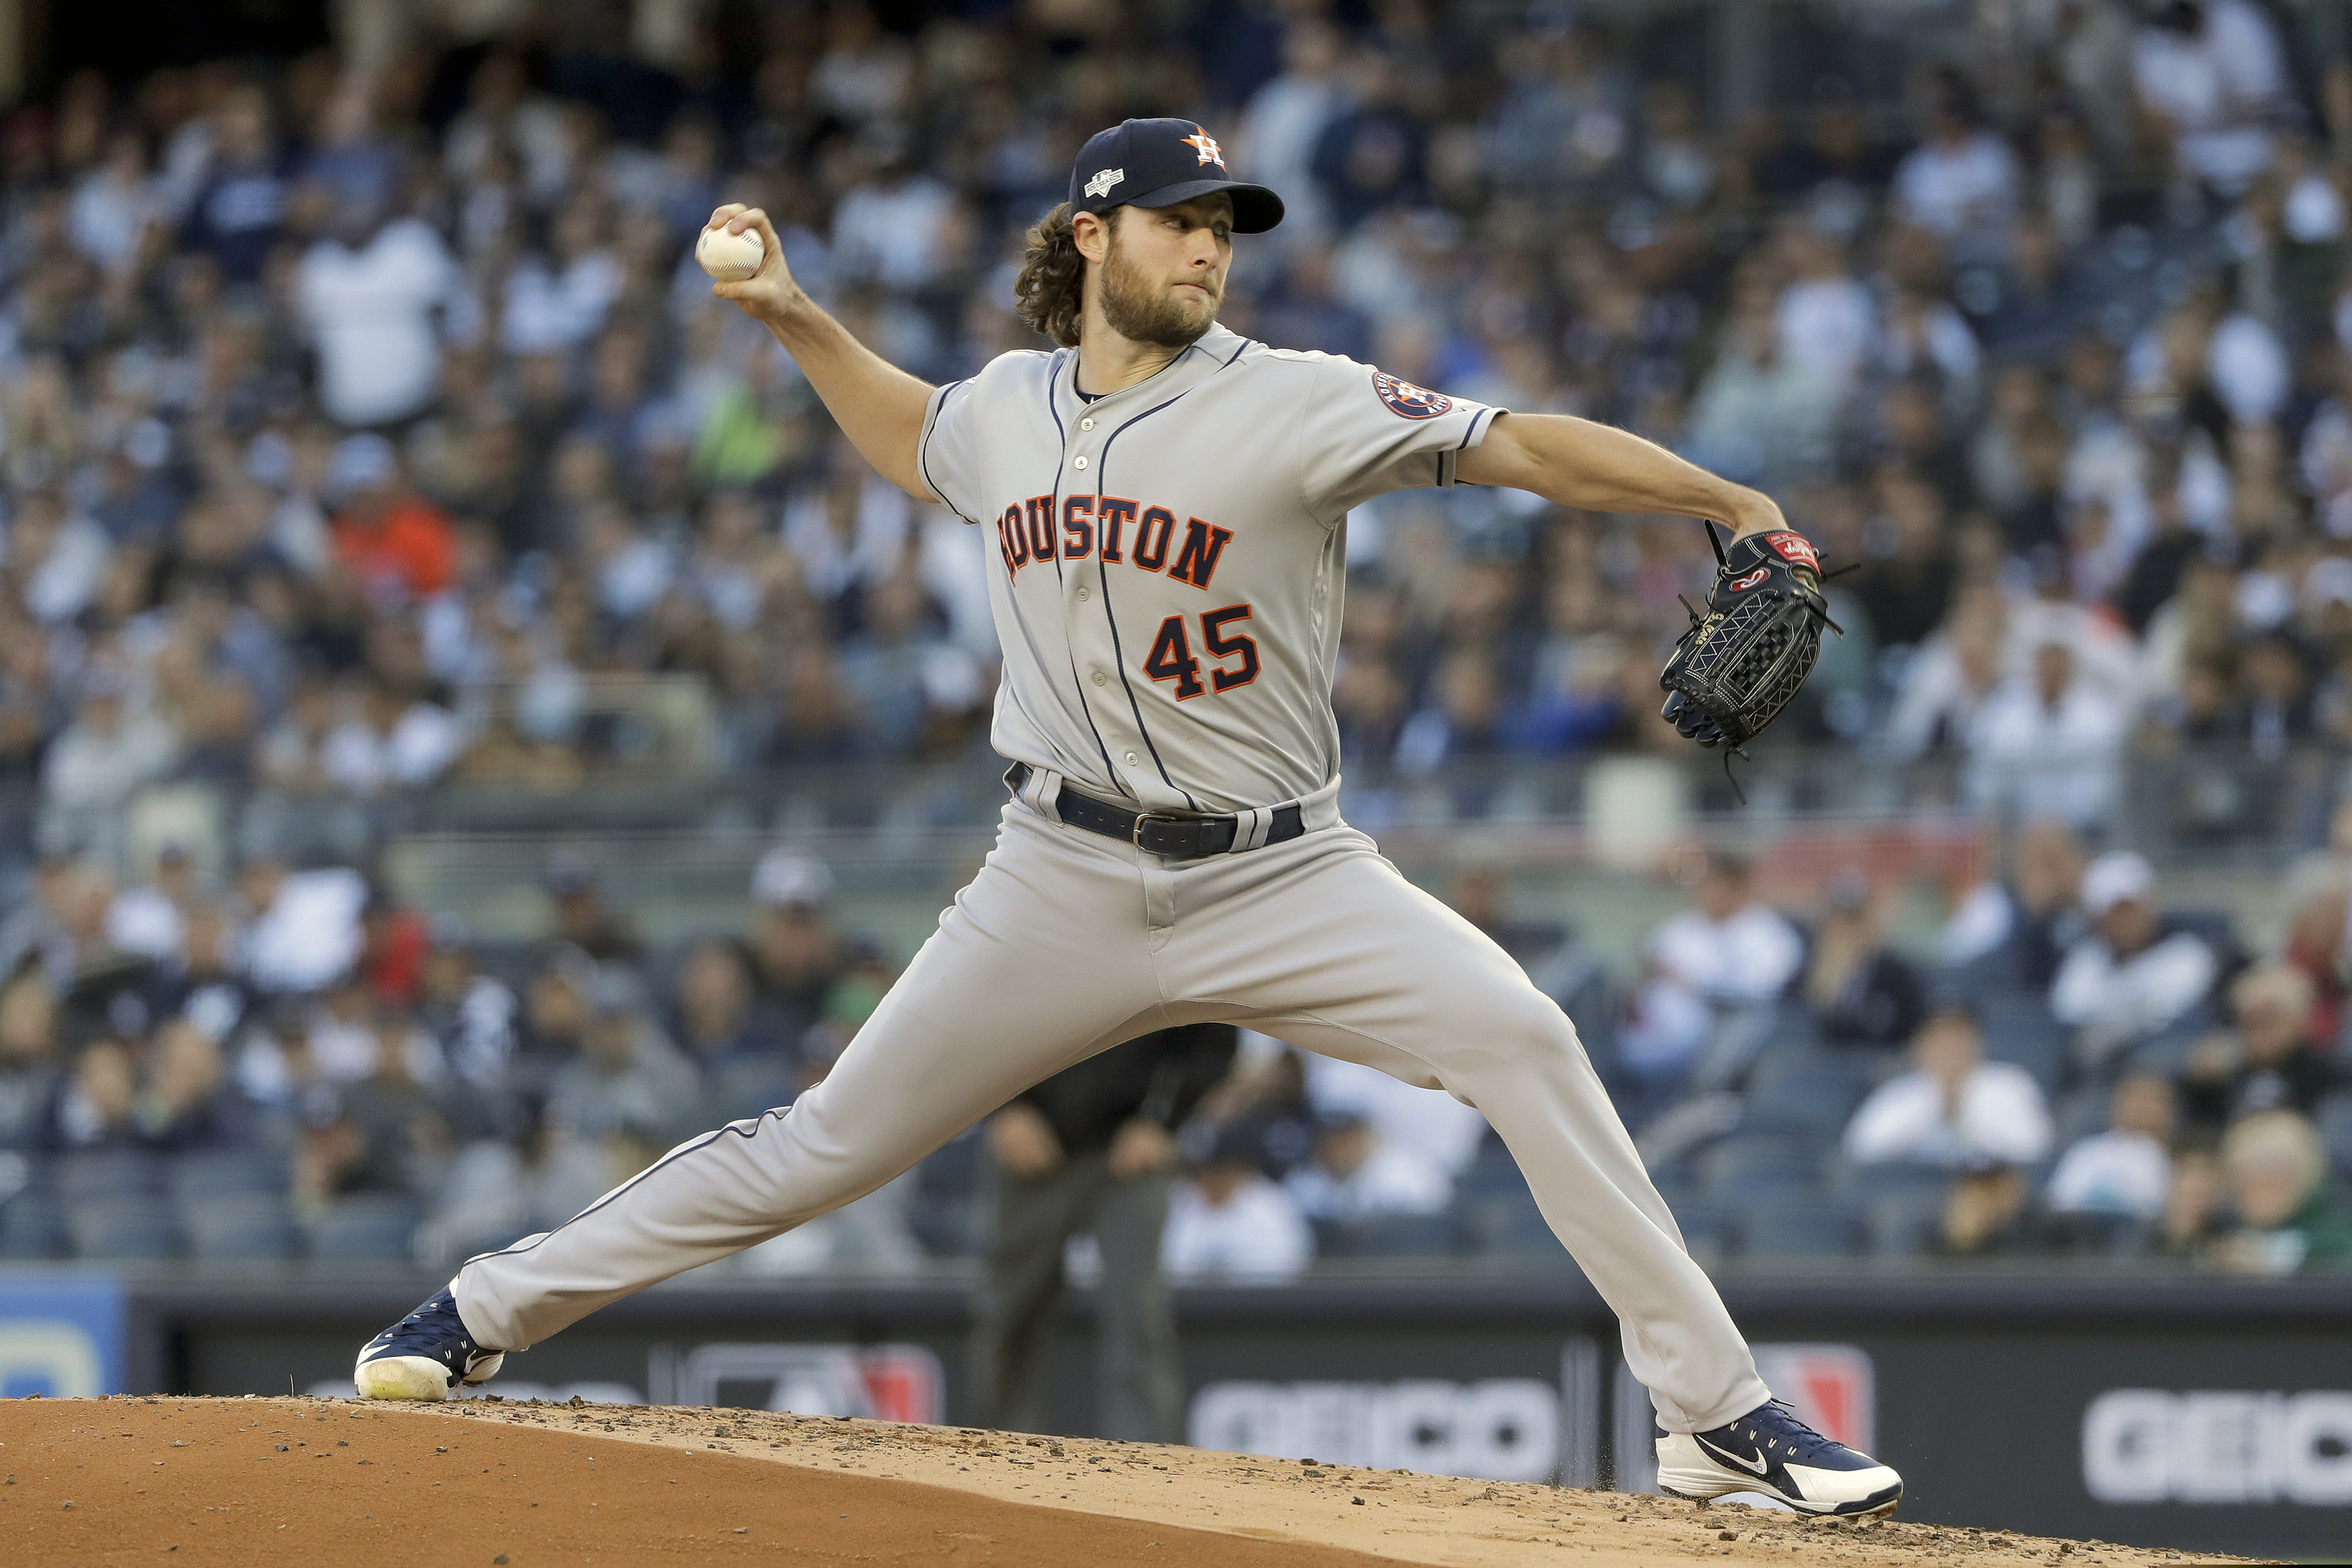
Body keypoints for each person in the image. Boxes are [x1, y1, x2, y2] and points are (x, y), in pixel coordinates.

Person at [354, 116, 1901, 1516]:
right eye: (1177, 219)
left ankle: (1712, 1416)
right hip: (1057, 872)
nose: (1209, 246)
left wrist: (1729, 505)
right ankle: (480, 1311)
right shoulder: (1010, 409)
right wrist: (793, 317)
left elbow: (1520, 446)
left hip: (1283, 870)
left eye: (1223, 225)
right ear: (1091, 236)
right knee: (820, 1143)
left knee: (1523, 1038)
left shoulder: (1299, 400)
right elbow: (912, 436)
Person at [972, 1022, 1236, 1442]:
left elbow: (1213, 1038)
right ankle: (996, 1450)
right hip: (1035, 1139)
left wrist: (1162, 1121)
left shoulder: (1160, 951)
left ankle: (1144, 1464)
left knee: (1137, 1309)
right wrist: (1005, 1107)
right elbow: (974, 1014)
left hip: (1130, 1149)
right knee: (1011, 1307)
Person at [2050, 851, 2219, 1073]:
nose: (2124, 921)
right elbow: (2069, 1015)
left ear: (2150, 906)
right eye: (2114, 912)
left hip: (2162, 1073)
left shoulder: (2188, 954)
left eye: (2130, 909)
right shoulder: (2085, 959)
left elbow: (2164, 1020)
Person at [1843, 1005, 2055, 1171]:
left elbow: (2036, 1147)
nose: (1950, 1047)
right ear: (1919, 1046)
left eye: (1959, 1036)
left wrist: (1963, 1111)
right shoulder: (1900, 1093)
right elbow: (1861, 1150)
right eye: (1939, 1038)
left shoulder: (2010, 1084)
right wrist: (1936, 1108)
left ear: (1977, 1042)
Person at [2046, 1073, 2177, 1223]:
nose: (2142, 1108)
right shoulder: (2087, 1151)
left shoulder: (2179, 1159)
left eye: (2152, 1100)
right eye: (2134, 1098)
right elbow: (2060, 1202)